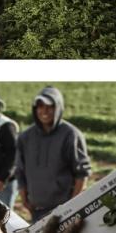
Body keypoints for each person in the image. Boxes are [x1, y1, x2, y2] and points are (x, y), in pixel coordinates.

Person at [16, 86, 91, 224]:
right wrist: (25, 200)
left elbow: (82, 174)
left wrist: (71, 206)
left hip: (64, 212)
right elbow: (20, 171)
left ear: (58, 108)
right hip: (37, 211)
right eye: (40, 106)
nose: (44, 111)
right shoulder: (25, 137)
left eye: (50, 106)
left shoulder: (71, 135)